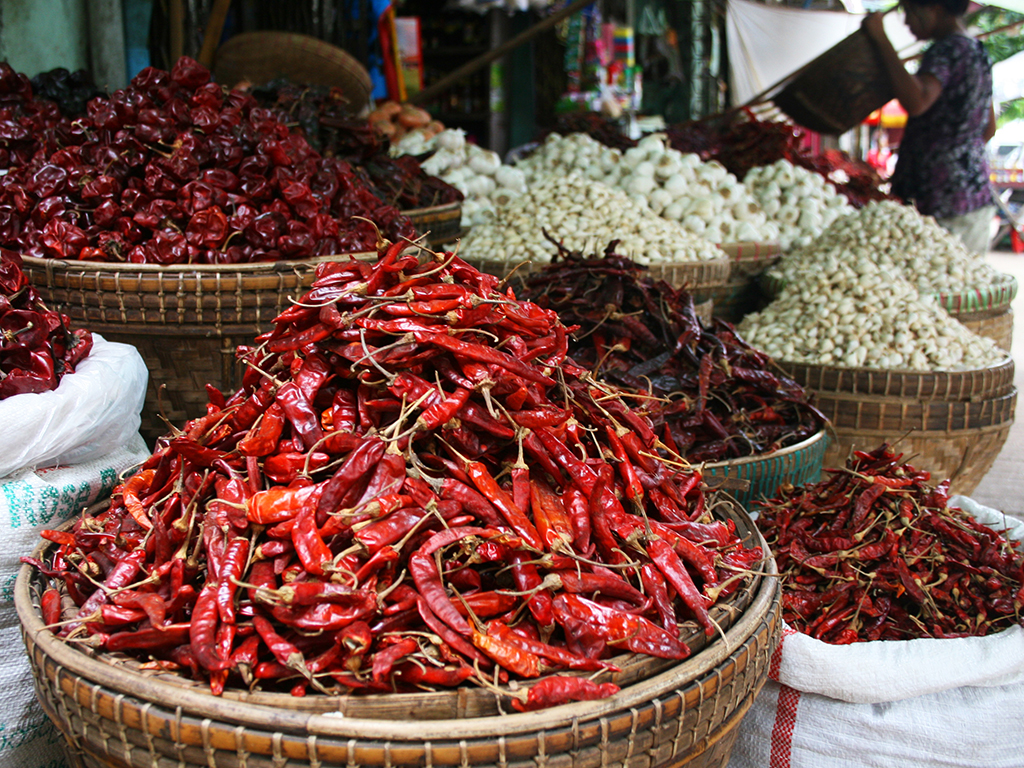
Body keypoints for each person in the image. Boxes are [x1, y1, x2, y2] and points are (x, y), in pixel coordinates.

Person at [863, 0, 997, 255]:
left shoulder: (947, 50)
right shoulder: (978, 51)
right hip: (973, 198)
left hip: (941, 204)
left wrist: (880, 39)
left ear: (934, 8)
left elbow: (918, 100)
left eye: (909, 11)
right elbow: (989, 127)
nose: (906, 21)